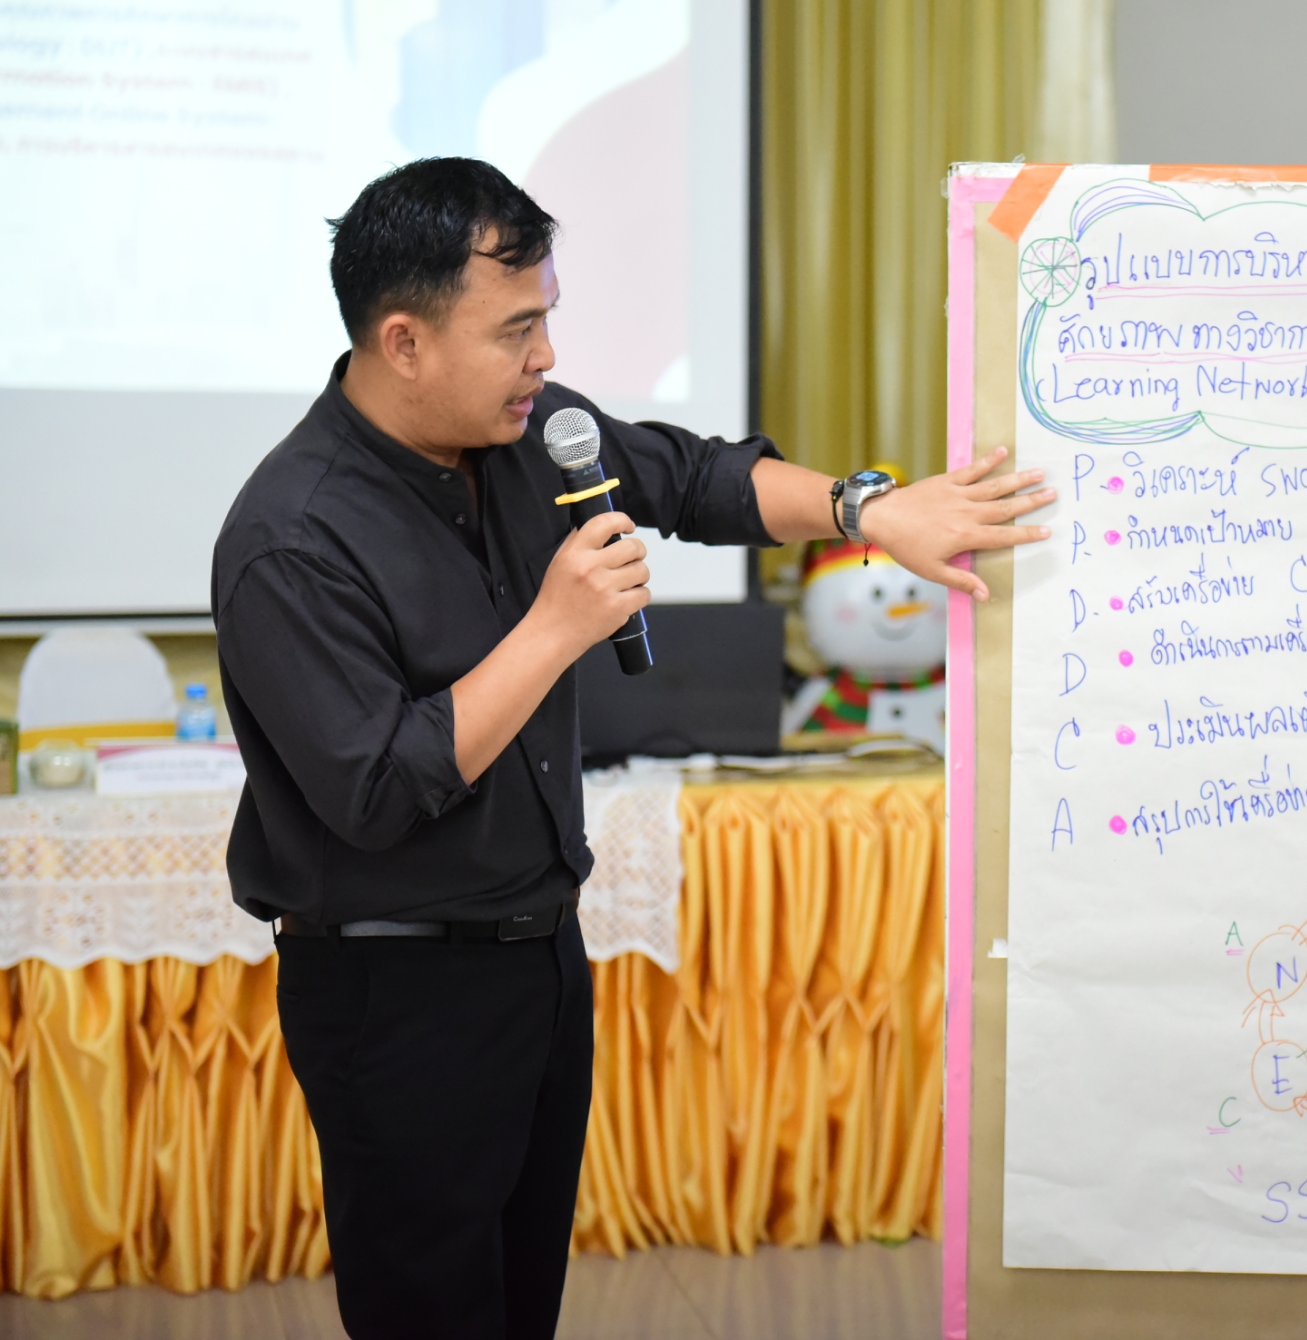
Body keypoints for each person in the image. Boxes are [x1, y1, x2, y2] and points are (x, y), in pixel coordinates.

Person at [211, 157, 1050, 1340]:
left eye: (546, 317)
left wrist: (868, 507)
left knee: (522, 1305)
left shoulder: (532, 436)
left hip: (539, 959)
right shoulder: (291, 537)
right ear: (403, 342)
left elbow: (697, 480)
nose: (545, 355)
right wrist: (554, 627)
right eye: (514, 329)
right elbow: (381, 787)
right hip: (395, 992)